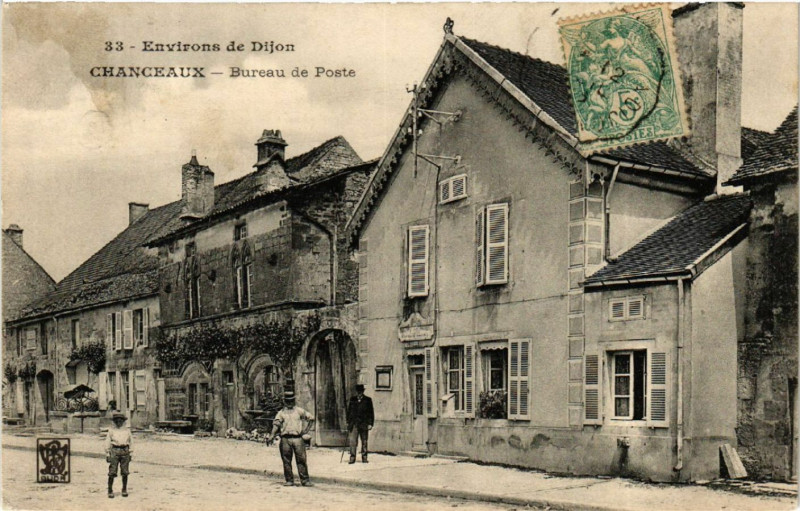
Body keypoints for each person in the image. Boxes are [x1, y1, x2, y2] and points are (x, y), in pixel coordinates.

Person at [266, 391, 316, 487]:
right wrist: (271, 435)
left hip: (298, 439)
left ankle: (305, 480)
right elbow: (276, 425)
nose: (289, 403)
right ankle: (289, 480)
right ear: (285, 402)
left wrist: (305, 431)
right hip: (285, 439)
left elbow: (311, 418)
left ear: (294, 401)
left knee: (301, 460)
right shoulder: (281, 413)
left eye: (291, 401)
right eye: (287, 401)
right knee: (286, 460)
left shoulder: (299, 411)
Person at [105, 411, 132, 498]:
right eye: (117, 420)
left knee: (125, 472)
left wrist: (131, 452)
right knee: (112, 471)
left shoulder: (127, 431)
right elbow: (107, 442)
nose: (119, 422)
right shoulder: (111, 430)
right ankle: (110, 490)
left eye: (120, 420)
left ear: (123, 421)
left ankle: (124, 489)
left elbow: (131, 442)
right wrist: (107, 454)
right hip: (115, 450)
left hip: (125, 451)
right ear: (114, 421)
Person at [346, 383, 374, 464]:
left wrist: (370, 424)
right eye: (358, 392)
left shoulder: (368, 400)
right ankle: (352, 457)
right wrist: (348, 422)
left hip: (364, 424)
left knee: (364, 441)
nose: (359, 393)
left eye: (361, 391)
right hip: (354, 424)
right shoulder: (352, 400)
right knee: (352, 441)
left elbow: (371, 413)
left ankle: (364, 457)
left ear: (363, 392)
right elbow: (349, 412)